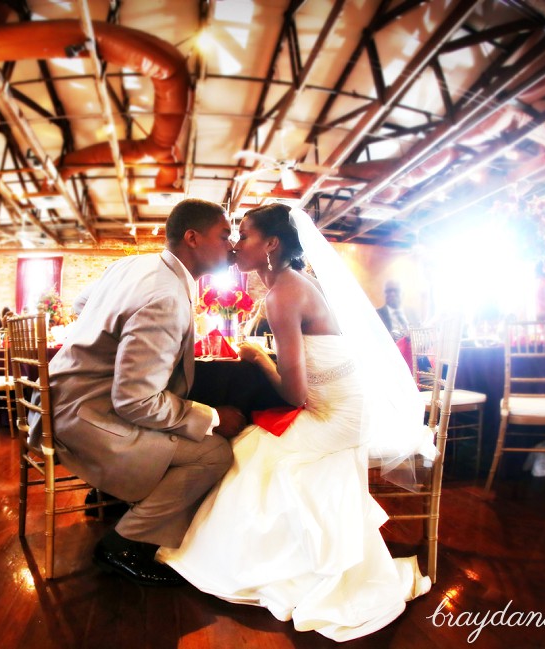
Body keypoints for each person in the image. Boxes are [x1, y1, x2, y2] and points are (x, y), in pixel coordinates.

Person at [157, 204, 432, 641]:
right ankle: (275, 557)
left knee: (250, 456)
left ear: (271, 244)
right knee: (251, 445)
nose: (234, 243)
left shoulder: (283, 293)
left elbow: (294, 394)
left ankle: (273, 567)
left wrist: (257, 357)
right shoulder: (289, 284)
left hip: (338, 416)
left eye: (242, 235)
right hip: (336, 405)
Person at [40, 198, 247, 587]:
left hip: (61, 399)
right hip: (82, 418)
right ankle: (124, 542)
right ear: (193, 238)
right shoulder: (166, 296)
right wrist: (214, 417)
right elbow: (135, 400)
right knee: (213, 453)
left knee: (175, 426)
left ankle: (121, 495)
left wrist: (107, 351)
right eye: (225, 236)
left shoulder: (135, 263)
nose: (232, 246)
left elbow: (83, 303)